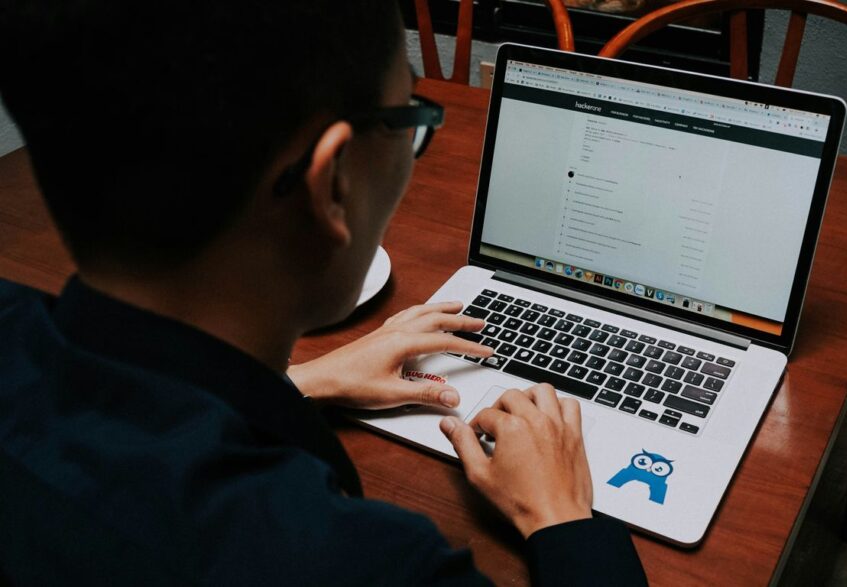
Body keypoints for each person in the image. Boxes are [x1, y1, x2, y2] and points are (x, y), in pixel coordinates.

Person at [0, 1, 647, 585]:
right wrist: (561, 517)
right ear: (331, 182)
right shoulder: (363, 563)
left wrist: (294, 381)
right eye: (411, 118)